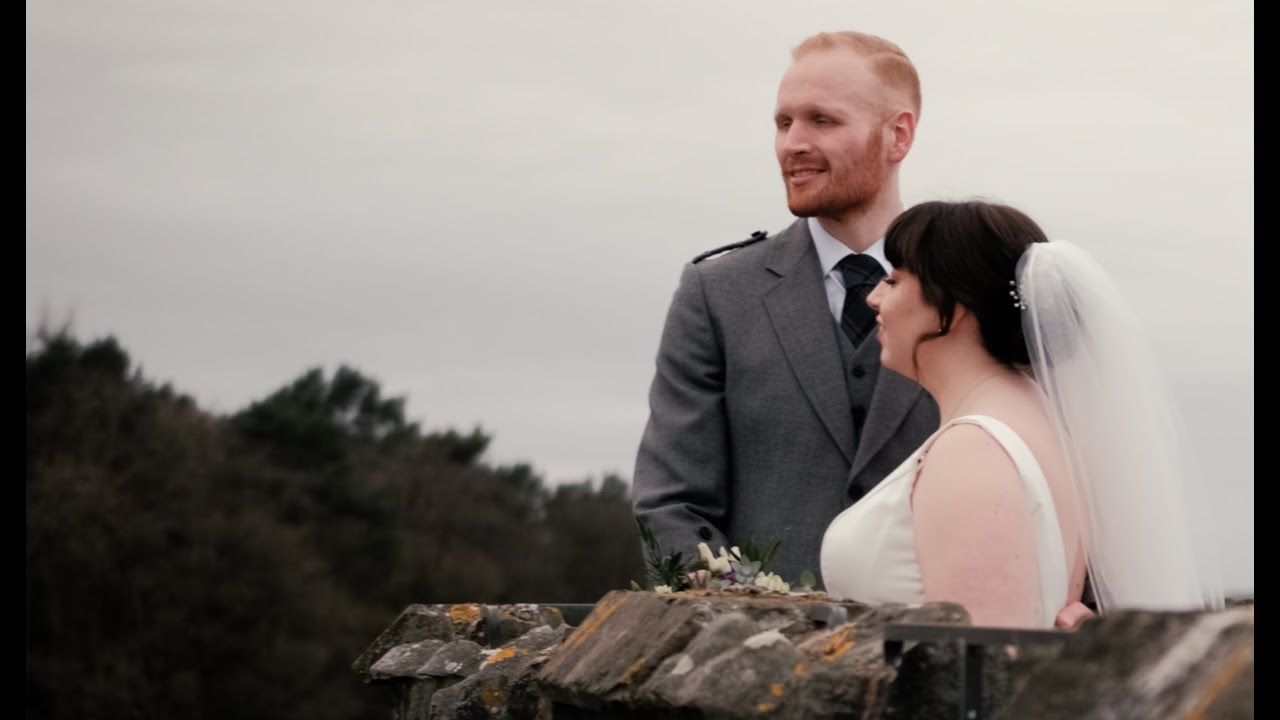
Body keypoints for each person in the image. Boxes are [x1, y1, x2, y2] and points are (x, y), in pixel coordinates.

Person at [820, 199, 1225, 627]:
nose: (874, 298)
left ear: (950, 310)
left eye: (894, 279)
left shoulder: (974, 450)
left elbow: (977, 662)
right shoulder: (1034, 414)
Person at [631, 31, 939, 588]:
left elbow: (1051, 468)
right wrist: (751, 620)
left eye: (822, 120)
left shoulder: (972, 291)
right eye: (783, 122)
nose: (792, 143)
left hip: (950, 650)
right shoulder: (716, 294)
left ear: (898, 134)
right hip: (757, 657)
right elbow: (671, 506)